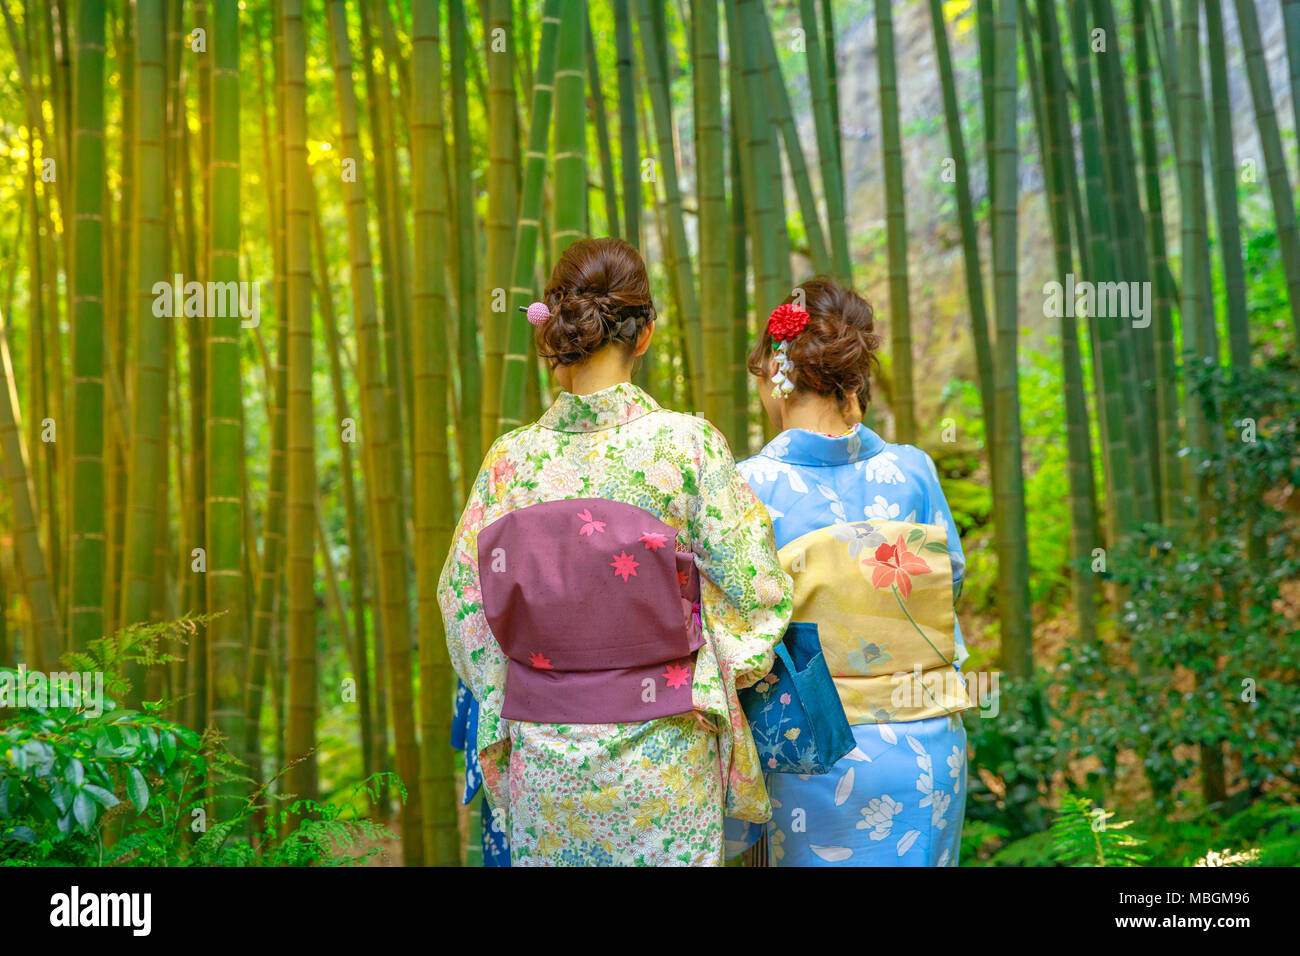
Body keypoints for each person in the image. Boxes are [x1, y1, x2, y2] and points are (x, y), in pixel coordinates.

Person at [437, 237, 793, 866]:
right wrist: (702, 671)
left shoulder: (510, 463)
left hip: (546, 756)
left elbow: (463, 607)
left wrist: (517, 691)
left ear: (556, 326)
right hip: (665, 751)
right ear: (645, 333)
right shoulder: (686, 448)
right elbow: (757, 593)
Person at [730, 277, 972, 866]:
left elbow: (735, 633)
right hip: (927, 749)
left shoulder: (746, 487)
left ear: (775, 368)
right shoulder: (914, 471)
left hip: (815, 757)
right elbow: (952, 581)